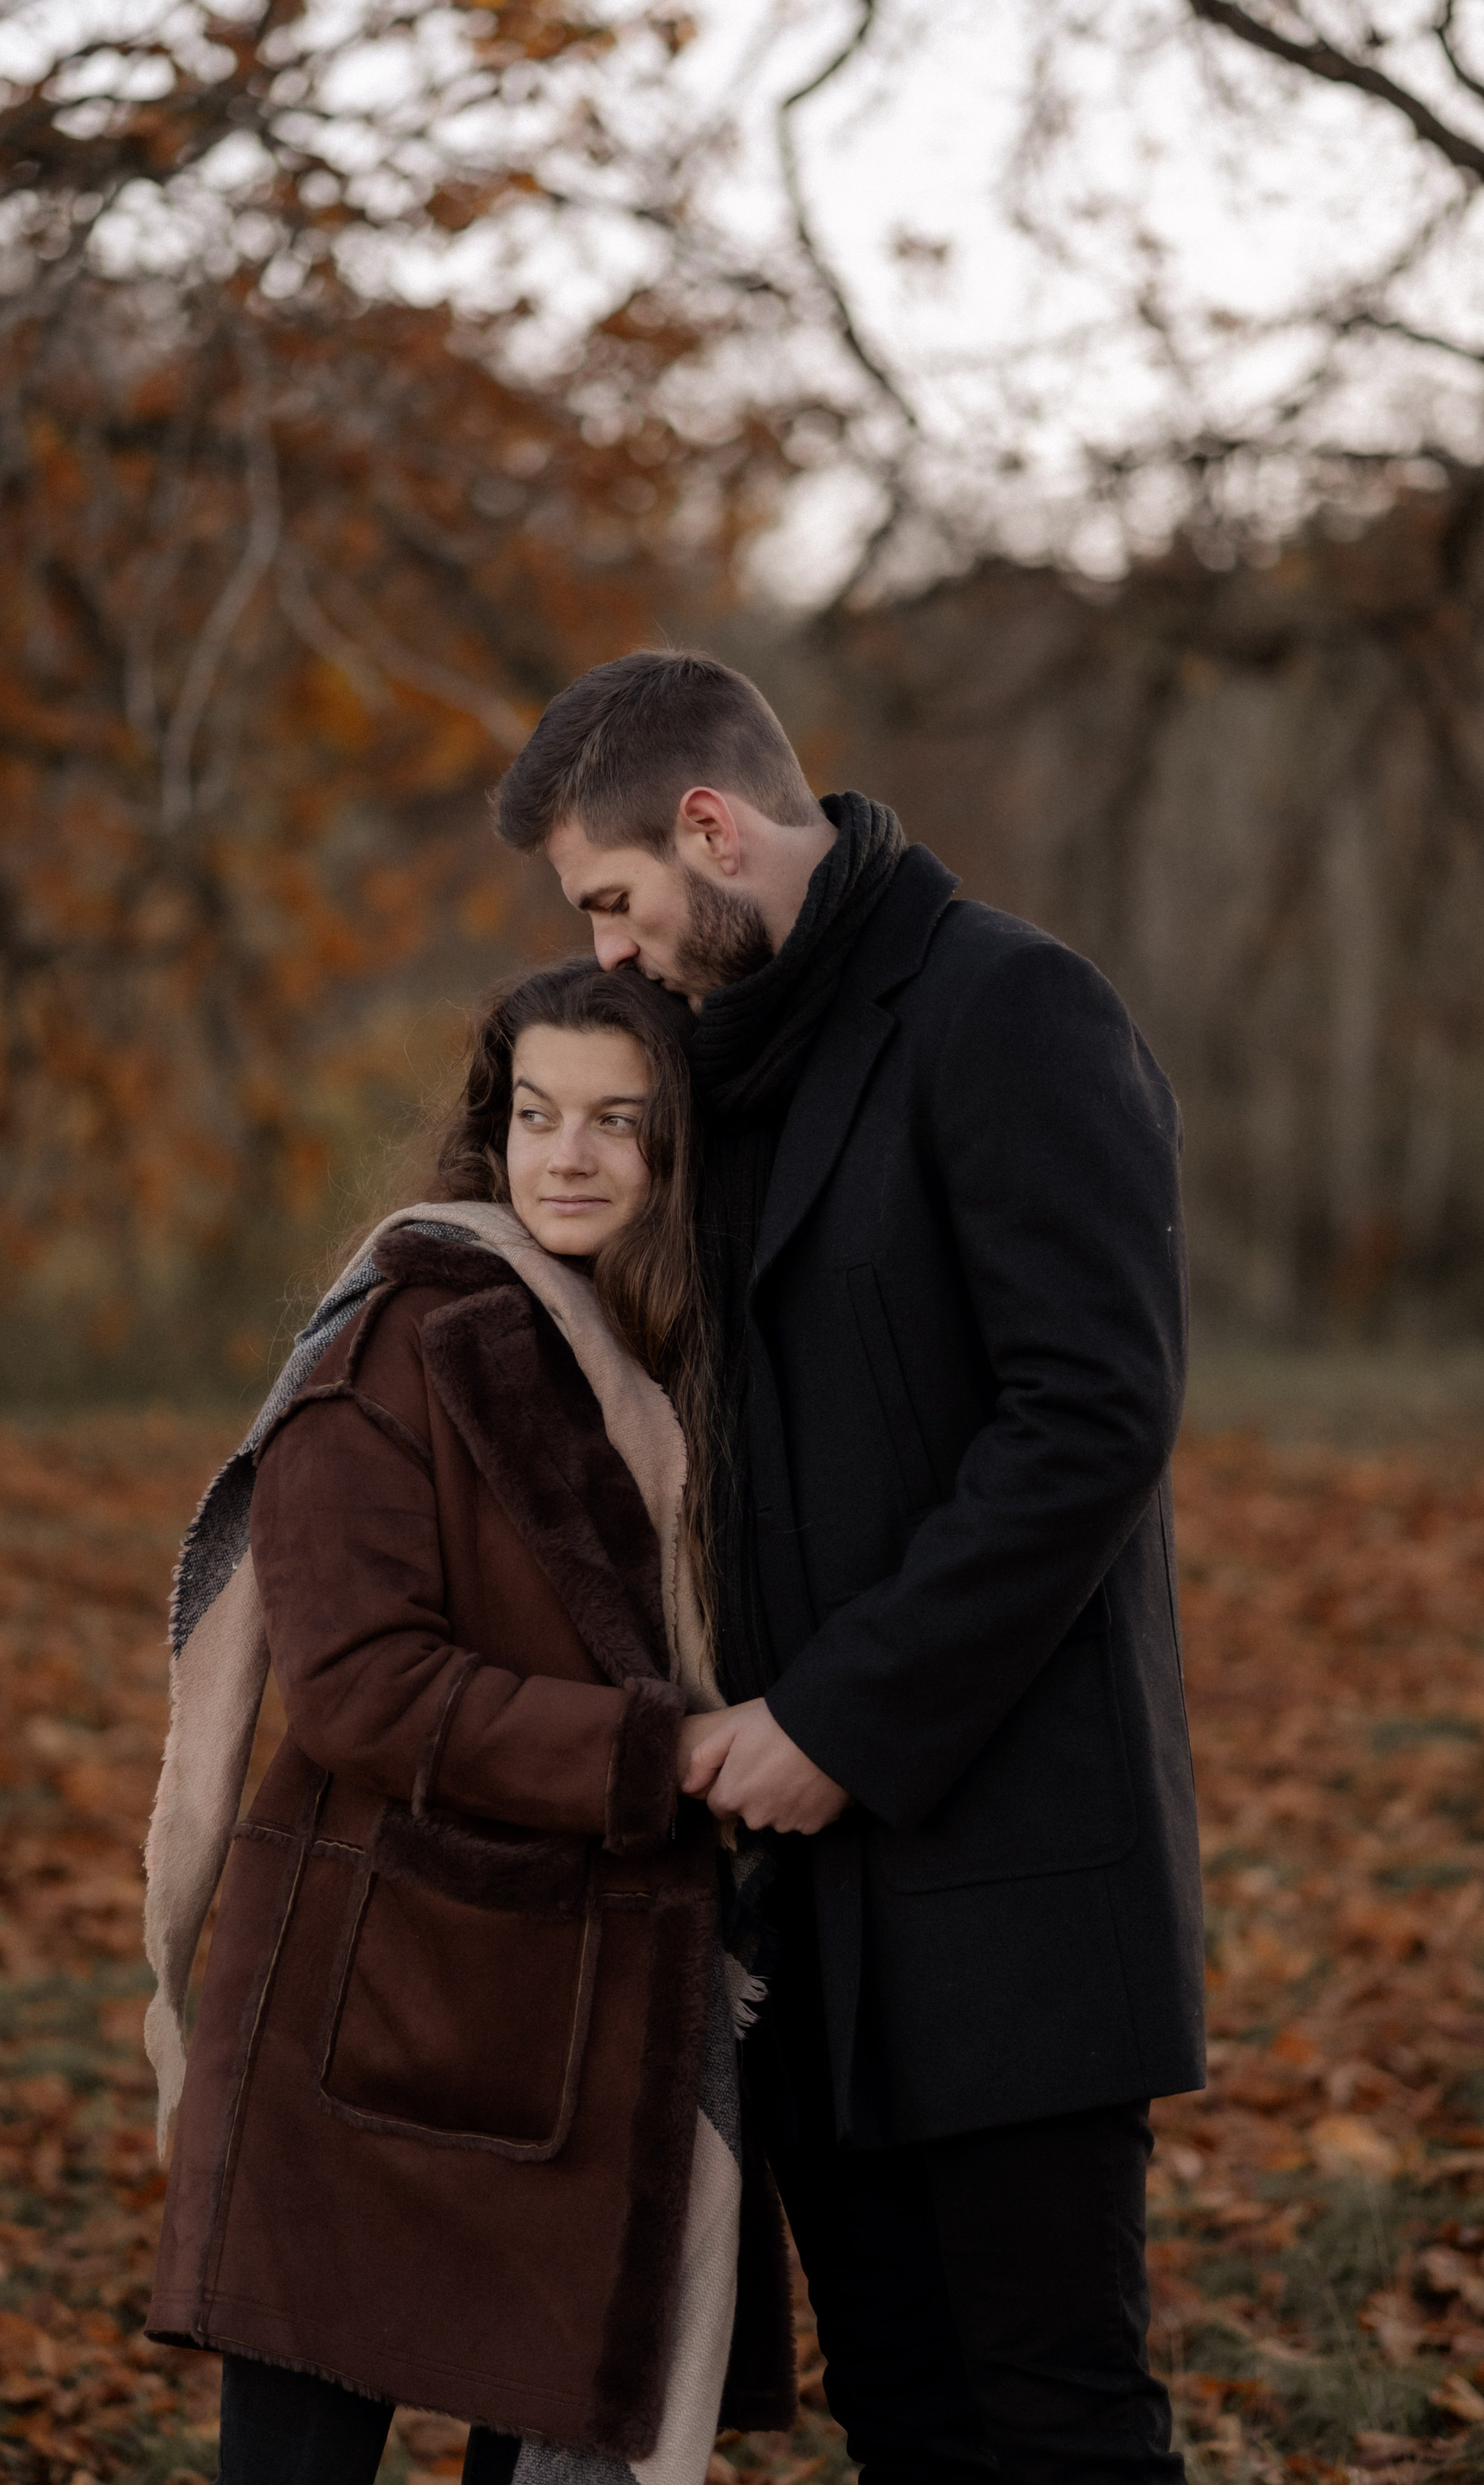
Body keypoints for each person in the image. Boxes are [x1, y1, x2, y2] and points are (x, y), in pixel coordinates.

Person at [494, 650, 1206, 2485]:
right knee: (904, 2419)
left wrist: (844, 1717)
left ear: (712, 829)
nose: (616, 953)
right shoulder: (713, 1073)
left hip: (1012, 1874)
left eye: (617, 900)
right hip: (797, 1912)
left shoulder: (1013, 1011)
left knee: (1056, 2426)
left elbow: (1093, 1419)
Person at [139, 960, 794, 2485]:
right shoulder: (395, 1340)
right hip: (365, 2016)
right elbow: (362, 1686)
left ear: (677, 1148)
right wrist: (659, 1755)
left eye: (617, 1123)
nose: (566, 1155)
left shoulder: (697, 1375)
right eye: (534, 1113)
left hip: (588, 2029)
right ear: (489, 1131)